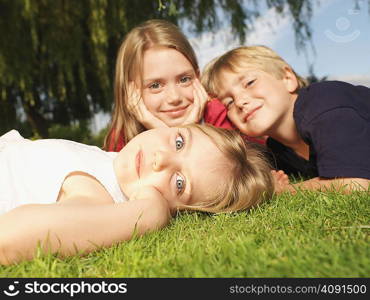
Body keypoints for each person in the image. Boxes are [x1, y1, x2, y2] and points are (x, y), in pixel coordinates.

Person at [0, 124, 274, 265]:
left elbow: (9, 238)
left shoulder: (99, 194)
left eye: (179, 183)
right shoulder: (107, 161)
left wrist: (149, 213)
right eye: (179, 142)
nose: (160, 158)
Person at [201, 45, 370, 193]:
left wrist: (287, 191)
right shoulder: (277, 149)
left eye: (249, 83)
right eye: (228, 102)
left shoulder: (325, 102)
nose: (239, 101)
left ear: (287, 78)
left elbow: (357, 184)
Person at [104, 19, 240, 152]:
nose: (174, 97)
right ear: (130, 92)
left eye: (184, 79)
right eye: (155, 85)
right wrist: (167, 134)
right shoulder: (123, 139)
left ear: (197, 76)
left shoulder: (216, 114)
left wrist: (187, 132)